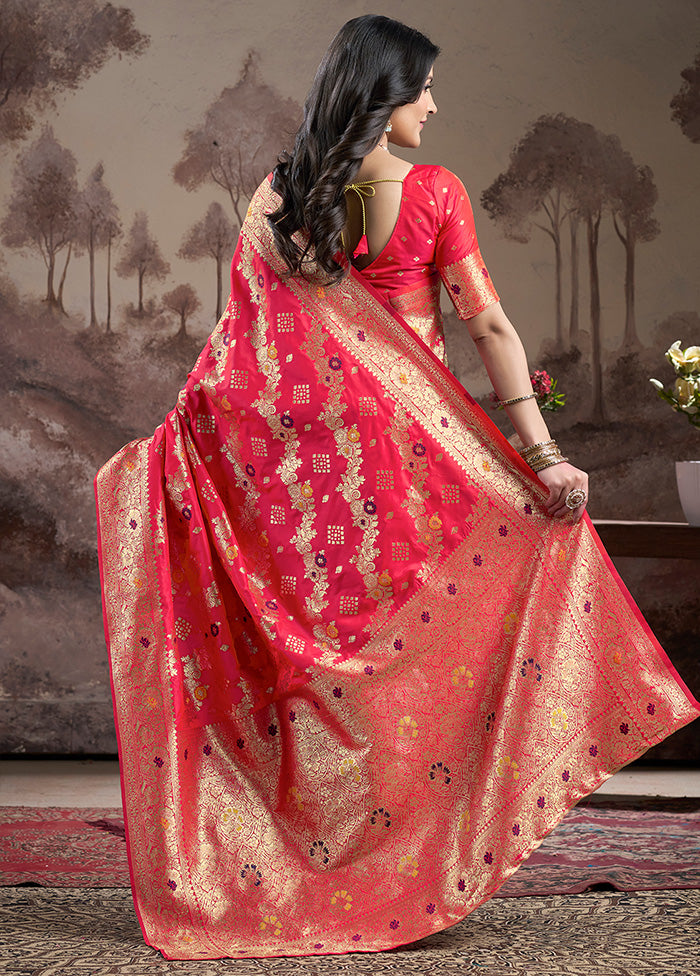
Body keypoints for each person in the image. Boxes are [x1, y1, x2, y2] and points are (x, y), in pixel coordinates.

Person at [95, 15, 699, 962]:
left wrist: (184, 449)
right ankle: (397, 869)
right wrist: (542, 458)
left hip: (302, 489)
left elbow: (240, 351)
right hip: (414, 477)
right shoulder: (433, 194)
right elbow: (490, 328)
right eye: (422, 89)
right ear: (384, 95)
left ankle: (316, 861)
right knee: (410, 658)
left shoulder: (275, 199)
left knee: (320, 664)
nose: (434, 104)